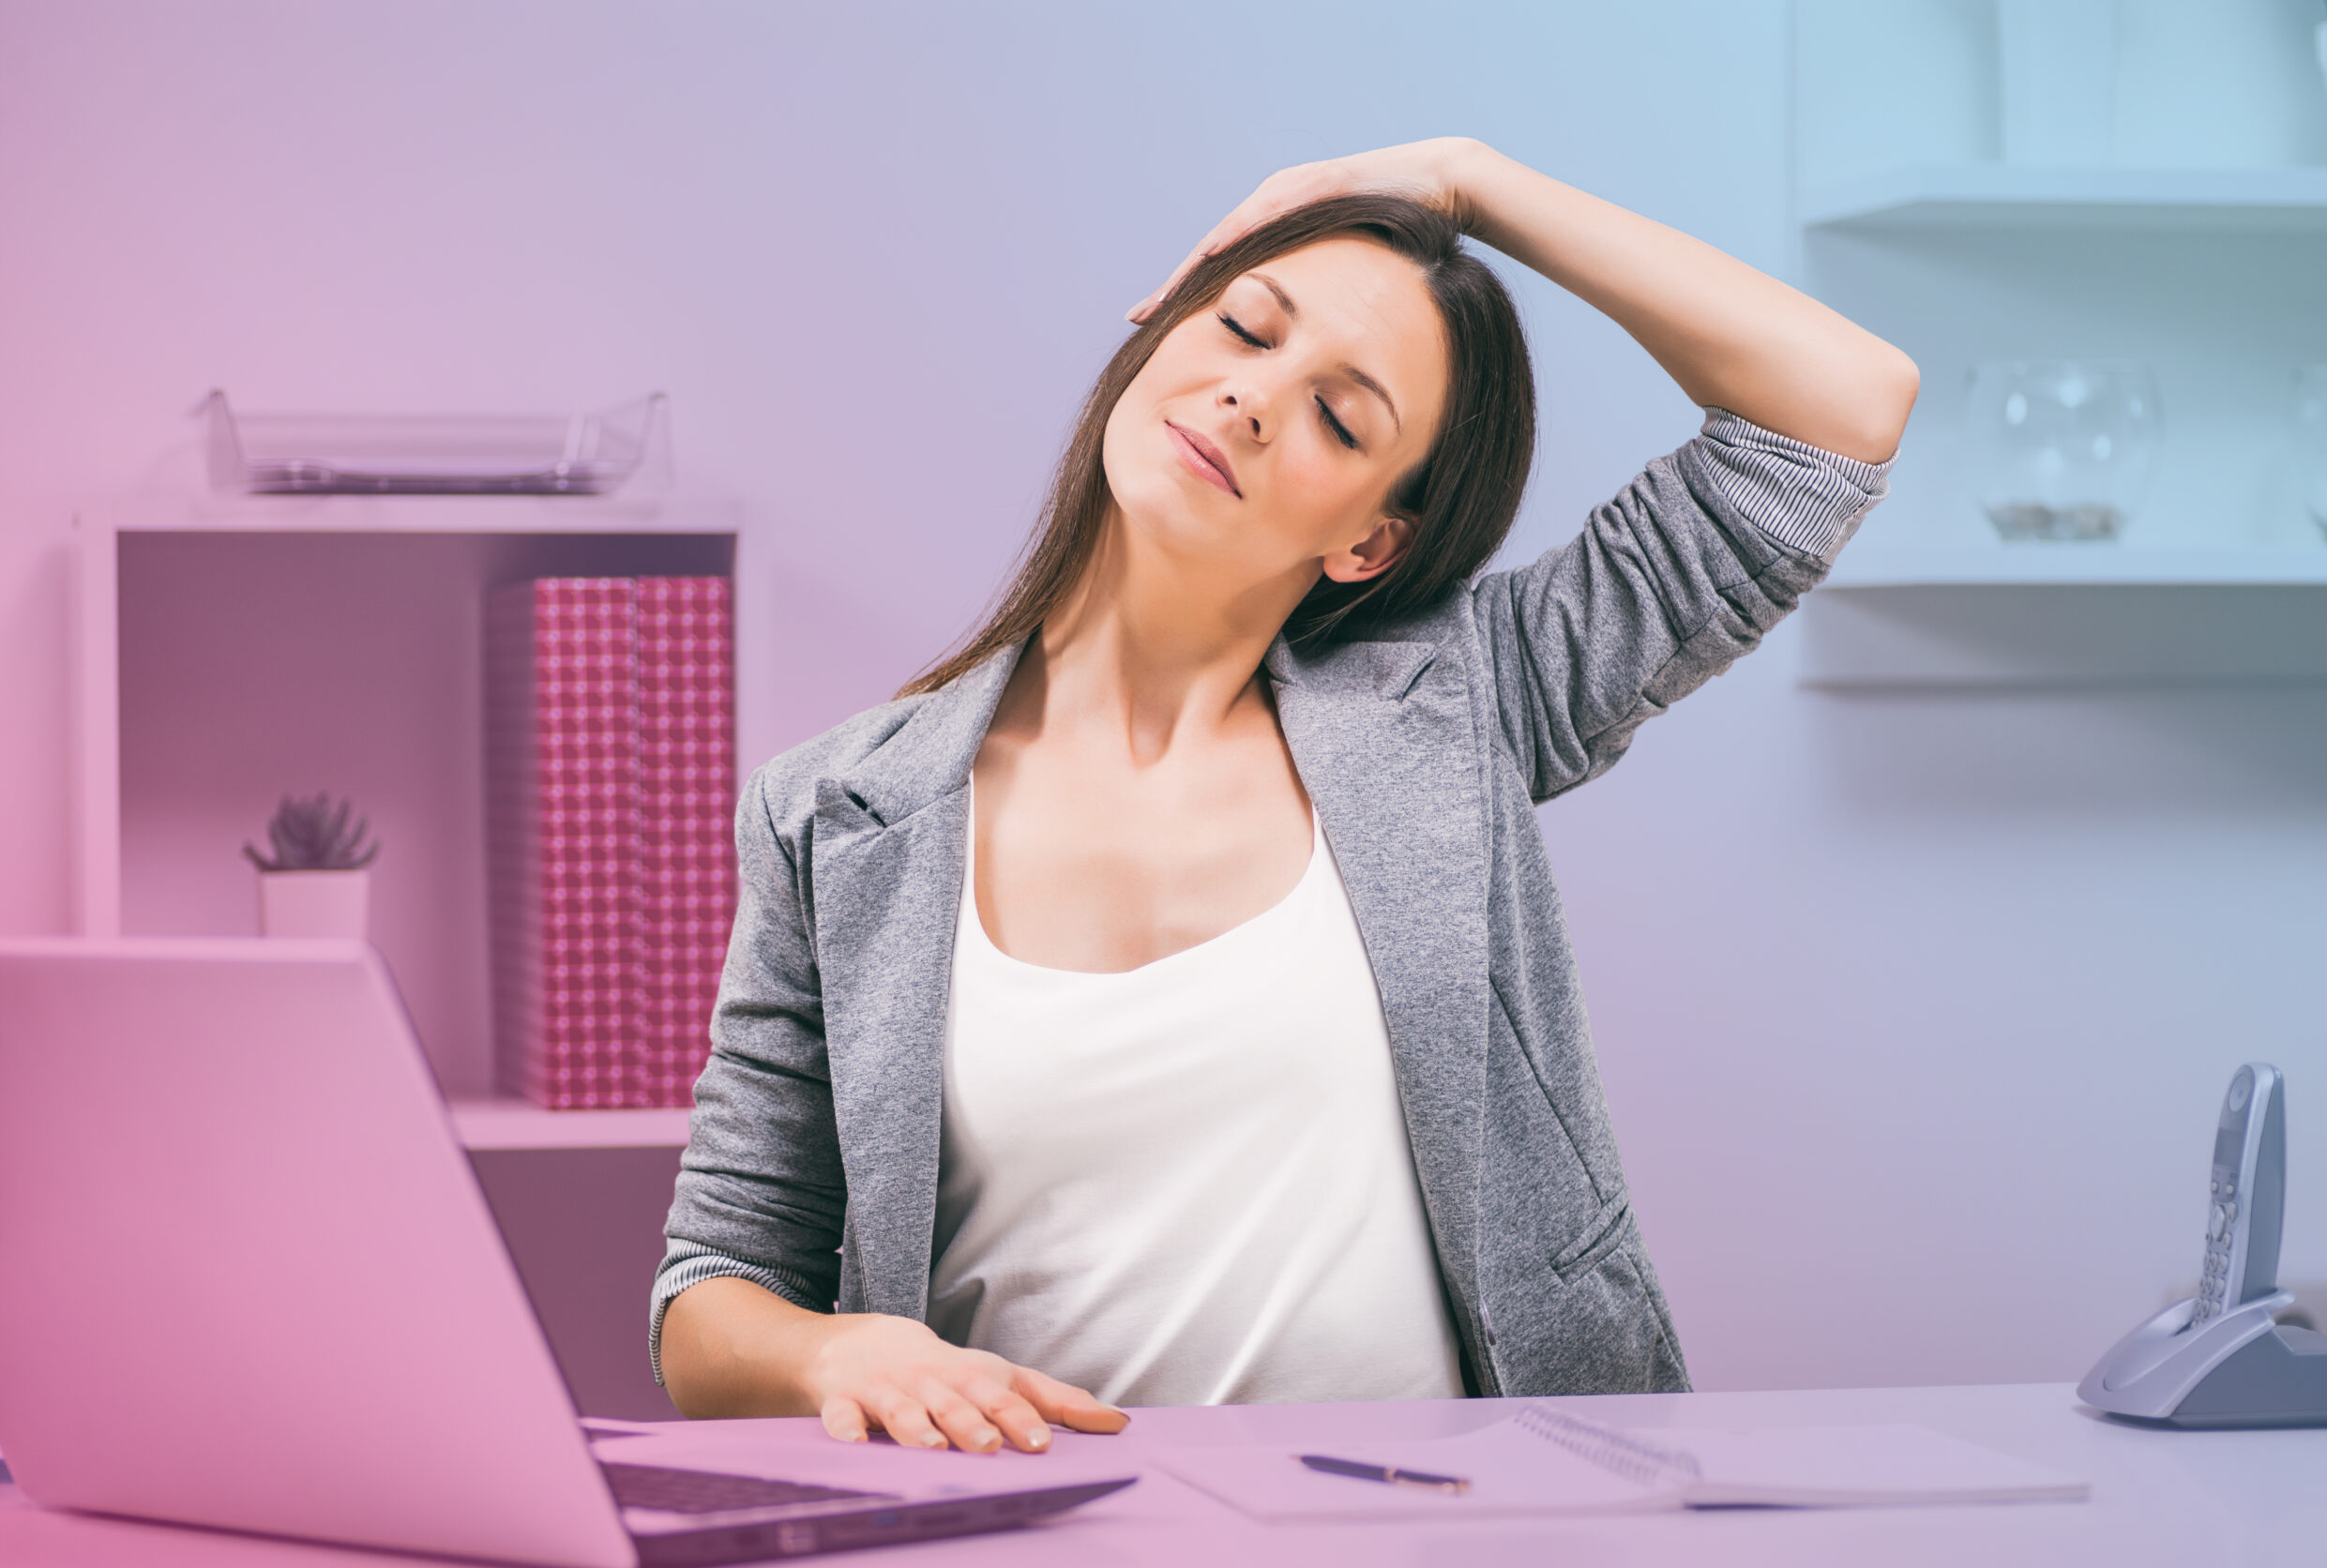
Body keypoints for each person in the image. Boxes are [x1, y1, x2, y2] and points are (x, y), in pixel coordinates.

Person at [652, 139, 1918, 1455]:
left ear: (1370, 538)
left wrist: (1467, 180)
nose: (1253, 399)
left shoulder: (1473, 698)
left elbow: (1838, 409)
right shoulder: (839, 811)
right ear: (1157, 340)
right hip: (1034, 1541)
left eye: (1340, 416)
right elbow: (708, 1295)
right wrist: (832, 1347)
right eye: (1245, 329)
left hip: (1464, 1545)